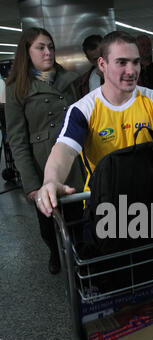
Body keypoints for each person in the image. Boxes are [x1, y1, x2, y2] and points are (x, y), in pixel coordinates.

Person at [35, 31, 153, 219]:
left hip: (152, 203)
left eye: (136, 62)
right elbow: (64, 150)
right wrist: (51, 180)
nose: (131, 71)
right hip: (106, 207)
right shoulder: (83, 110)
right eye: (122, 62)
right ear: (102, 65)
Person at [5, 27, 85, 274]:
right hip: (43, 164)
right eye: (40, 47)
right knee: (48, 223)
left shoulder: (69, 80)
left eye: (50, 47)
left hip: (75, 159)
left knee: (79, 218)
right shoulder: (18, 88)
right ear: (27, 52)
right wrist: (30, 184)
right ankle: (54, 251)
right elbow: (17, 139)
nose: (48, 52)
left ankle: (81, 260)